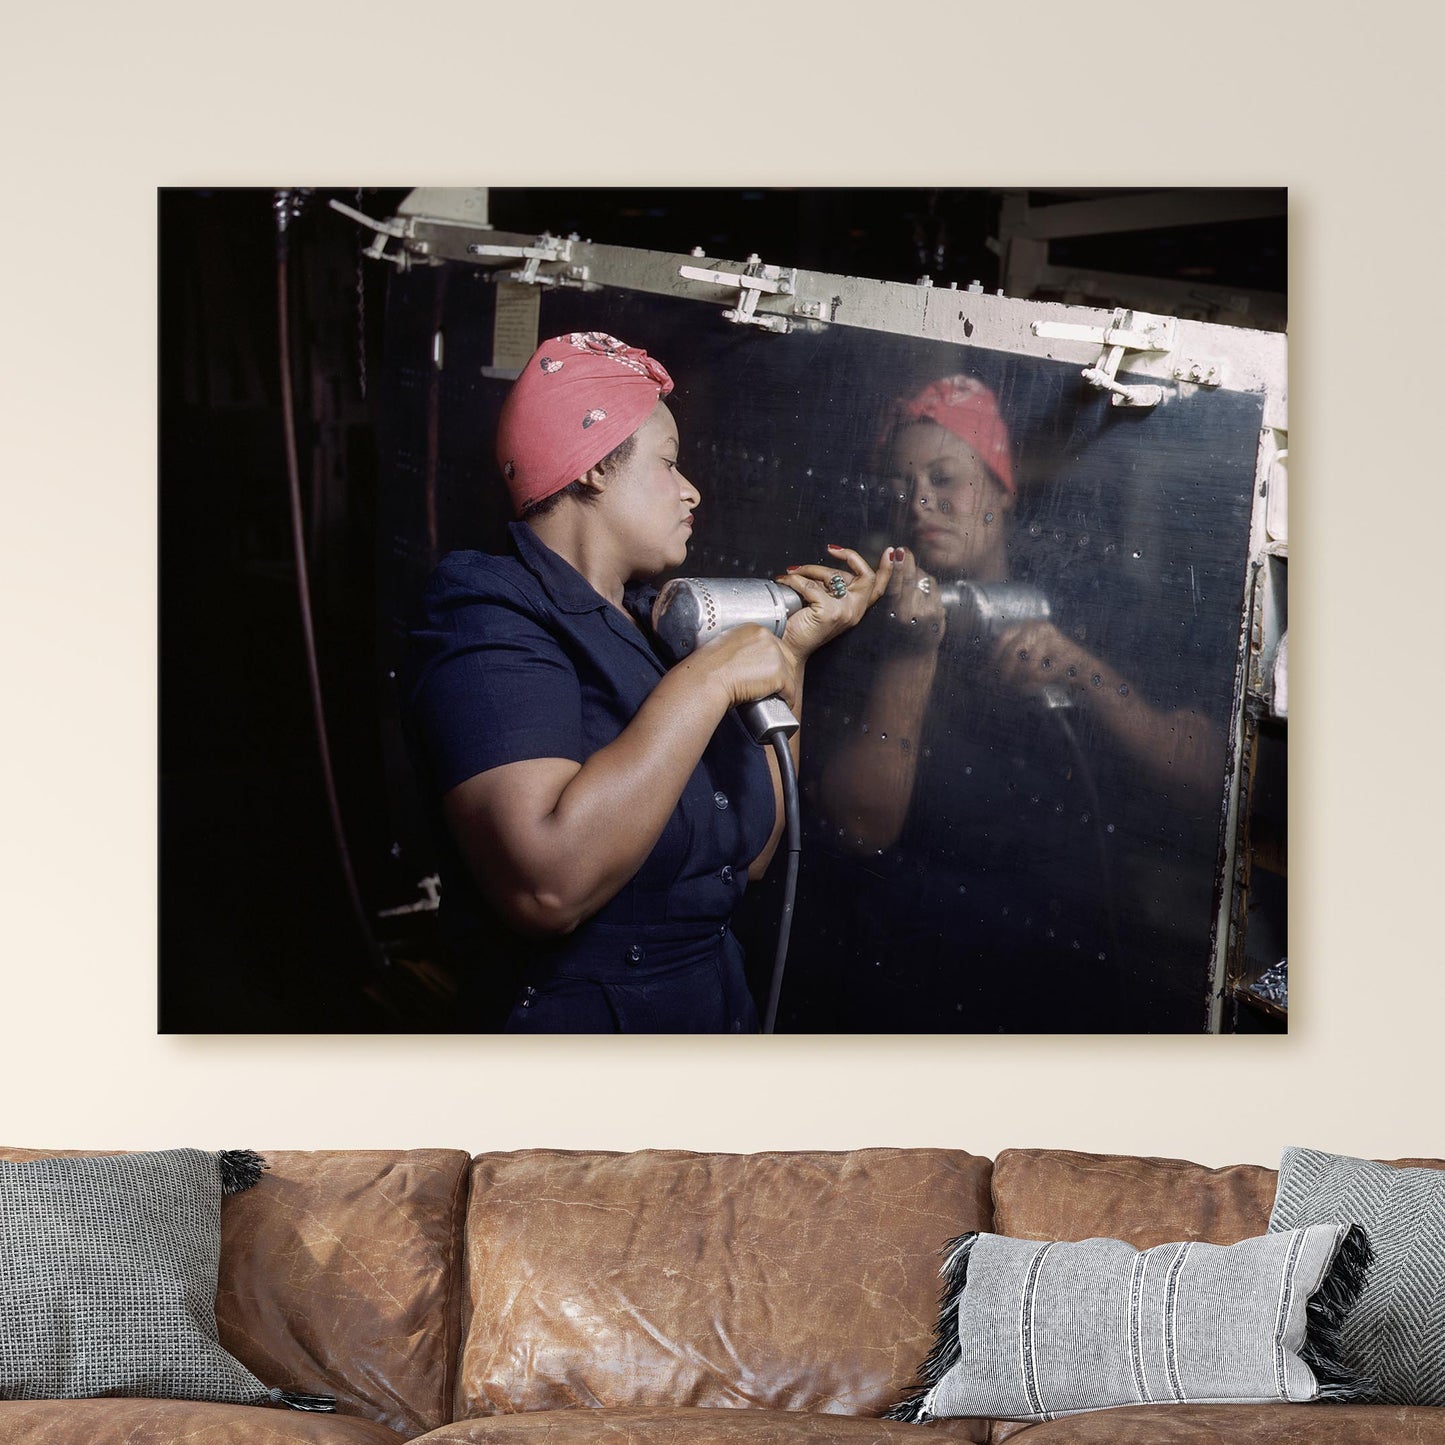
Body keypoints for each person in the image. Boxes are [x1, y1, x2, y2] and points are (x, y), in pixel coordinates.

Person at [406, 331, 892, 1032]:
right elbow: (544, 886)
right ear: (596, 468)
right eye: (667, 462)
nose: (691, 487)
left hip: (710, 1017)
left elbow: (751, 854)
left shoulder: (651, 628)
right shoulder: (485, 613)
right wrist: (708, 679)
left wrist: (792, 658)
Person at [809, 375, 1223, 1031]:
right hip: (915, 967)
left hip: (1068, 963)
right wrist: (911, 653)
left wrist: (1088, 677)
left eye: (945, 478)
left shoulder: (1091, 597)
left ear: (1002, 489)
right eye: (899, 485)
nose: (920, 501)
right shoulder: (864, 625)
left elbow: (1206, 782)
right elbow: (862, 822)